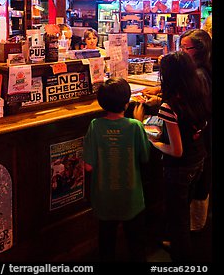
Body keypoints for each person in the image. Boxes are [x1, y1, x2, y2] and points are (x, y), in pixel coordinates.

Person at [146, 51, 209, 262]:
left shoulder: (169, 107)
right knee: (184, 207)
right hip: (199, 158)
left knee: (178, 217)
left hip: (180, 167)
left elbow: (176, 150)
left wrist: (153, 141)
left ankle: (182, 256)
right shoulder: (198, 91)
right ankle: (179, 244)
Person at [83, 77, 150, 262]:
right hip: (132, 199)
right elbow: (145, 157)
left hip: (104, 199)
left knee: (106, 244)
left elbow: (88, 166)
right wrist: (140, 123)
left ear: (101, 103)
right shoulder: (136, 126)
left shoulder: (95, 126)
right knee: (136, 245)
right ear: (127, 103)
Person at [179, 29, 212, 232]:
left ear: (198, 50)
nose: (182, 52)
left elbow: (193, 104)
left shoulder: (199, 74)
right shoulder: (202, 69)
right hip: (205, 130)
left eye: (185, 48)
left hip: (202, 133)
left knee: (199, 179)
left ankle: (193, 226)